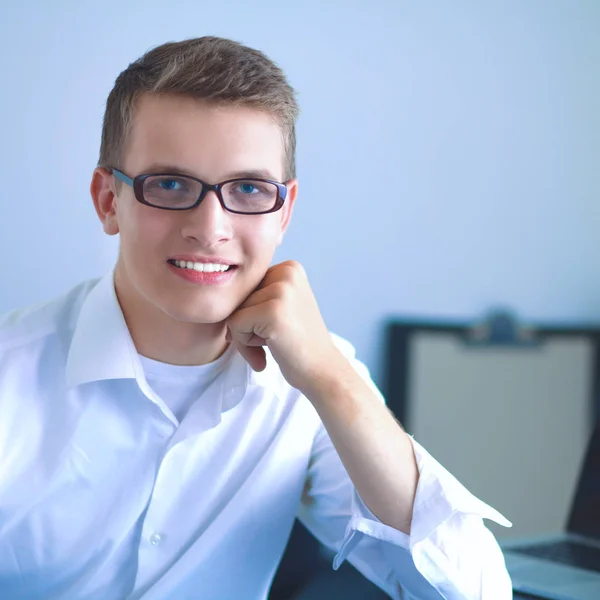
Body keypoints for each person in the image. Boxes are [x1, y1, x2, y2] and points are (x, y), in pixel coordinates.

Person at [0, 36, 512, 599]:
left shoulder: (311, 378)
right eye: (169, 184)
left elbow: (475, 592)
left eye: (247, 188)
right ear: (108, 201)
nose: (211, 227)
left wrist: (330, 377)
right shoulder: (11, 371)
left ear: (284, 210)